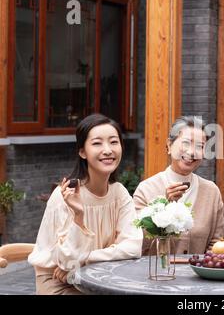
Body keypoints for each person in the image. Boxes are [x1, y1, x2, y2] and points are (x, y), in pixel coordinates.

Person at [28, 114, 143, 295]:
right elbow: (66, 262)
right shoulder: (65, 195)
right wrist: (79, 218)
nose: (107, 150)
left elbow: (133, 247)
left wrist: (87, 258)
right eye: (97, 143)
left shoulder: (119, 193)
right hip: (59, 282)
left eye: (113, 142)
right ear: (82, 152)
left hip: (101, 278)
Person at [133, 116, 224, 254]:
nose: (192, 152)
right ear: (169, 146)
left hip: (198, 273)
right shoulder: (146, 189)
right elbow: (139, 243)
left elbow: (217, 243)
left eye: (200, 146)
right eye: (186, 143)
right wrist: (165, 207)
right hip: (159, 274)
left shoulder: (211, 192)